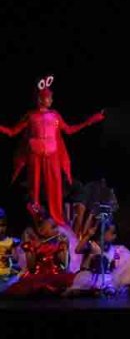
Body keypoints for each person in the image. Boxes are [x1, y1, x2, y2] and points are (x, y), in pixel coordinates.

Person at [1, 76, 105, 231]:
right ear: (40, 99)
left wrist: (92, 120)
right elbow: (13, 132)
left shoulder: (55, 115)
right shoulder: (31, 116)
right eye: (48, 98)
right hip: (35, 154)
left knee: (54, 185)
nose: (51, 100)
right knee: (34, 187)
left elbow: (69, 130)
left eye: (51, 97)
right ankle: (36, 215)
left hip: (52, 153)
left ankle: (57, 216)